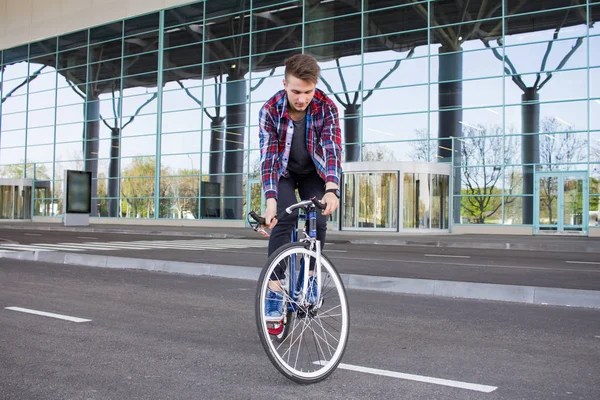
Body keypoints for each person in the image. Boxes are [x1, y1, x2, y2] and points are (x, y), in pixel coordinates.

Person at [258, 53, 342, 320]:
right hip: (283, 172)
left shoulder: (327, 107)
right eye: (296, 91)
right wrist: (271, 203)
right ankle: (274, 289)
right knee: (285, 218)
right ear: (285, 84)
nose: (302, 98)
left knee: (317, 220)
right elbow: (269, 159)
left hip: (313, 172)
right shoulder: (270, 110)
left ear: (315, 87)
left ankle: (310, 278)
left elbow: (332, 148)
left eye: (308, 91)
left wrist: (332, 188)